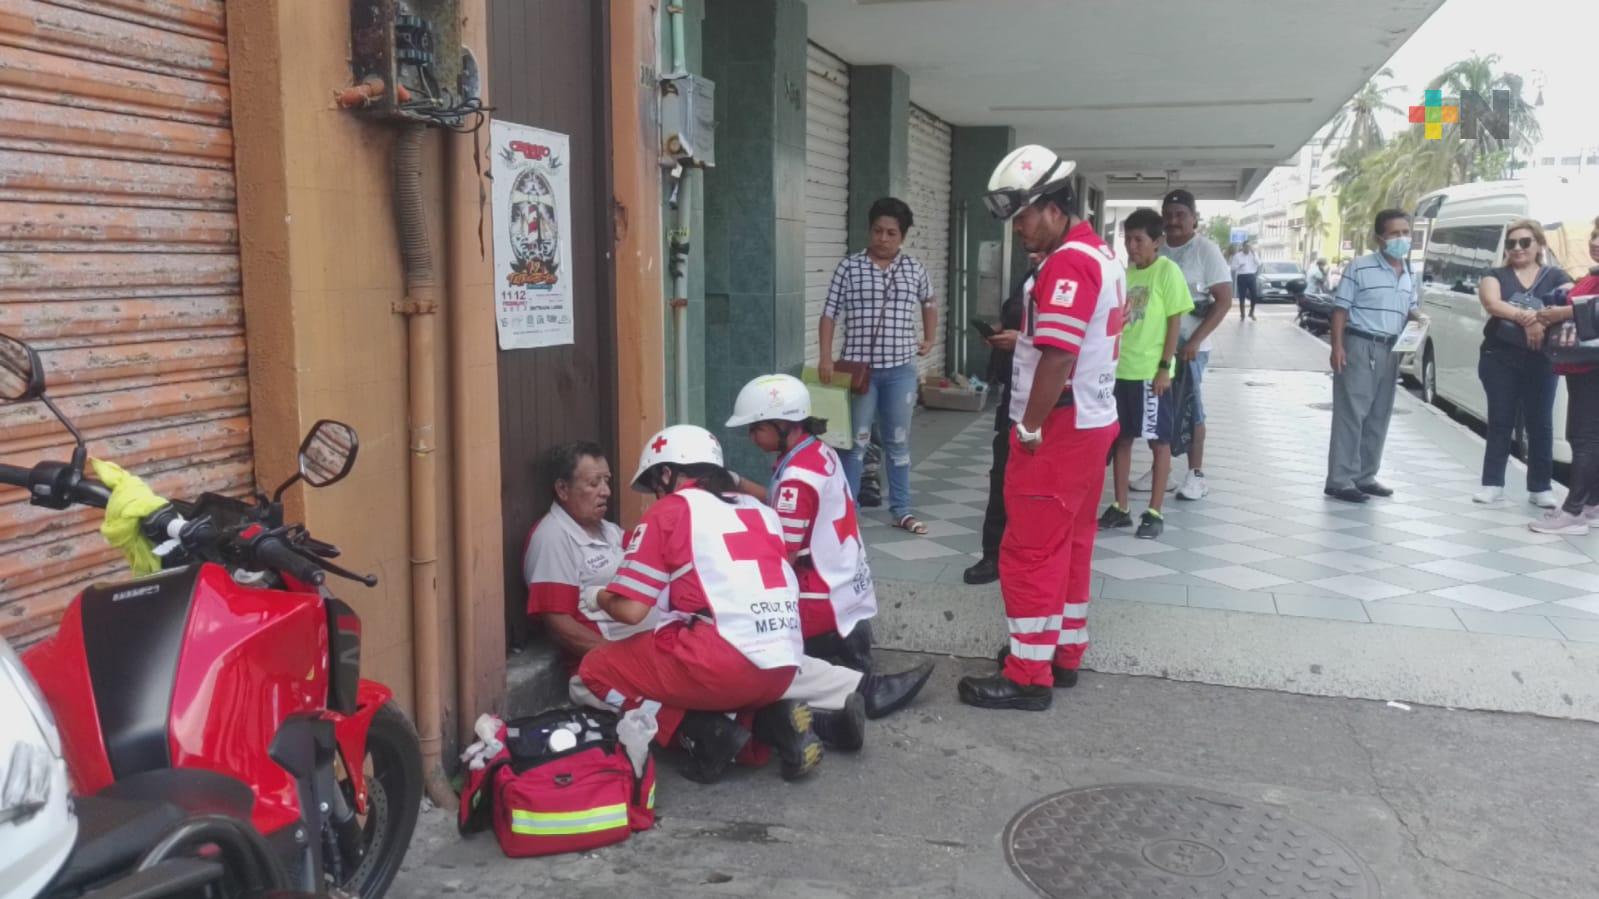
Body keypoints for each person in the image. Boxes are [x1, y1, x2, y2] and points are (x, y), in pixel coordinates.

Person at [957, 145, 1124, 712]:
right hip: (1091, 422)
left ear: (1054, 208)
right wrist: (1022, 340)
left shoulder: (1068, 264)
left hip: (1057, 428)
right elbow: (1061, 341)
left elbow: (1059, 357)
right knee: (1070, 543)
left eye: (1024, 216)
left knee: (1028, 550)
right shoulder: (1097, 255)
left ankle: (1028, 674)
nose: (1018, 229)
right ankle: (1064, 651)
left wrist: (1028, 430)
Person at [576, 425, 824, 783]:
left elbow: (631, 612)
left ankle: (699, 733)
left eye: (656, 485)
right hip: (783, 666)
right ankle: (766, 722)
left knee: (595, 670)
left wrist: (596, 596)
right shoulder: (759, 511)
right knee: (677, 655)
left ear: (666, 472)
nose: (656, 496)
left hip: (721, 665)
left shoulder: (671, 512)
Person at [725, 374, 884, 674]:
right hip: (847, 586)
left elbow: (783, 555)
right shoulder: (816, 451)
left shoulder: (796, 481)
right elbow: (778, 500)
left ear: (783, 424)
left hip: (819, 598)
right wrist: (736, 483)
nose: (751, 437)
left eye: (756, 428)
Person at [818, 197, 938, 536]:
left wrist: (930, 338)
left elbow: (929, 302)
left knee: (898, 442)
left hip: (900, 371)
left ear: (902, 236)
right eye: (877, 231)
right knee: (855, 441)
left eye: (891, 233)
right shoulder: (849, 267)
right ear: (869, 230)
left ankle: (901, 509)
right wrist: (826, 357)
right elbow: (829, 314)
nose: (883, 238)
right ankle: (848, 509)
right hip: (860, 375)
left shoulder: (914, 269)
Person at [1099, 208, 1193, 540]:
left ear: (1157, 242)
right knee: (1121, 439)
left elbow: (1174, 323)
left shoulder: (1167, 272)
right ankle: (1121, 507)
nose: (1132, 246)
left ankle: (1154, 512)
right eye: (1128, 239)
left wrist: (1165, 368)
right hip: (1121, 371)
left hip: (1151, 373)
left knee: (1158, 441)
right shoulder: (1125, 275)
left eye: (1139, 239)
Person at [523, 442, 656, 669]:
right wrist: (619, 661)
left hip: (653, 648)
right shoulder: (553, 537)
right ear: (563, 489)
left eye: (606, 481)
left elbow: (651, 552)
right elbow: (559, 623)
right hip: (613, 662)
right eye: (594, 483)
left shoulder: (608, 530)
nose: (606, 491)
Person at [1137, 188, 1232, 501]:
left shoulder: (1205, 250)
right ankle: (1160, 470)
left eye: (1181, 215)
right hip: (1155, 347)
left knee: (1191, 410)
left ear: (1194, 219)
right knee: (1158, 407)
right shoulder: (1157, 248)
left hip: (1190, 349)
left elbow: (1223, 301)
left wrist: (1195, 340)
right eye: (1169, 215)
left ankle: (1196, 474)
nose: (1174, 221)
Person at [1324, 209, 1424, 504]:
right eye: (1395, 233)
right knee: (1351, 414)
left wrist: (1419, 318)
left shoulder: (1409, 272)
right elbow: (1340, 309)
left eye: (1406, 233)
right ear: (1380, 237)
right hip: (1360, 345)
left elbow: (1410, 307)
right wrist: (1337, 347)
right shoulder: (1360, 267)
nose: (1402, 239)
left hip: (1391, 347)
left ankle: (1365, 475)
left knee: (1379, 414)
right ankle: (1340, 479)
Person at [1473, 219, 1570, 508]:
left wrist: (1540, 319)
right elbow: (1492, 303)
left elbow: (1571, 303)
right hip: (1499, 357)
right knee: (1500, 419)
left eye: (1525, 242)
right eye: (1512, 243)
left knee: (1540, 422)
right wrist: (1528, 318)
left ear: (1539, 245)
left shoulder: (1554, 275)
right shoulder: (1496, 274)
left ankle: (1540, 486)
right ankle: (1492, 483)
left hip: (1541, 359)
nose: (1518, 248)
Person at [964, 253, 1039, 585]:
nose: (1031, 247)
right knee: (1001, 475)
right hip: (1014, 393)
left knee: (1036, 484)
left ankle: (1029, 558)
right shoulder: (1030, 276)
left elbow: (1069, 344)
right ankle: (992, 555)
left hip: (1050, 398)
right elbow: (1015, 315)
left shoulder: (1073, 277)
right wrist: (999, 332)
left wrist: (1020, 341)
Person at [1531, 215, 1599, 535]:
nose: (1596, 242)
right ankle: (1590, 505)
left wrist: (1563, 311)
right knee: (1586, 436)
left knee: (1583, 437)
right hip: (1582, 365)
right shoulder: (1591, 275)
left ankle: (1572, 512)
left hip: (1592, 369)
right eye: (1595, 235)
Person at [1231, 240, 1262, 320]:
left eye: (1249, 247)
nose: (1248, 248)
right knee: (1242, 296)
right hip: (1242, 277)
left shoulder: (1253, 255)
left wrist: (1254, 253)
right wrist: (1239, 265)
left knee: (1254, 295)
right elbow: (1233, 268)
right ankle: (1242, 315)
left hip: (1251, 276)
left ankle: (1251, 313)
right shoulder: (1237, 256)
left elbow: (1259, 264)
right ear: (1243, 247)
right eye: (1246, 246)